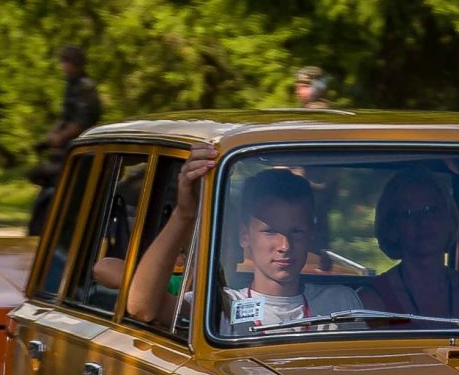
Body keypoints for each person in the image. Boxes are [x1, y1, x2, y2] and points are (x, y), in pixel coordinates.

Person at [127, 143, 361, 334]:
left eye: (296, 232)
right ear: (244, 236)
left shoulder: (340, 301)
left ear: (311, 236)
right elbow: (141, 308)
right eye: (270, 231)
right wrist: (183, 213)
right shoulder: (220, 305)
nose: (285, 246)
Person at [362, 168, 459, 318]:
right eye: (407, 214)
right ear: (392, 228)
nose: (422, 222)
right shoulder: (371, 301)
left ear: (450, 219)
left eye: (431, 210)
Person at [28, 44, 102, 235]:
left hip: (82, 149)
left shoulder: (85, 87)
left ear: (77, 63)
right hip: (67, 148)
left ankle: (62, 226)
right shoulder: (72, 85)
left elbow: (80, 123)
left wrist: (60, 137)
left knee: (67, 188)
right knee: (38, 174)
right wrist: (51, 136)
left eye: (67, 62)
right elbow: (65, 117)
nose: (63, 66)